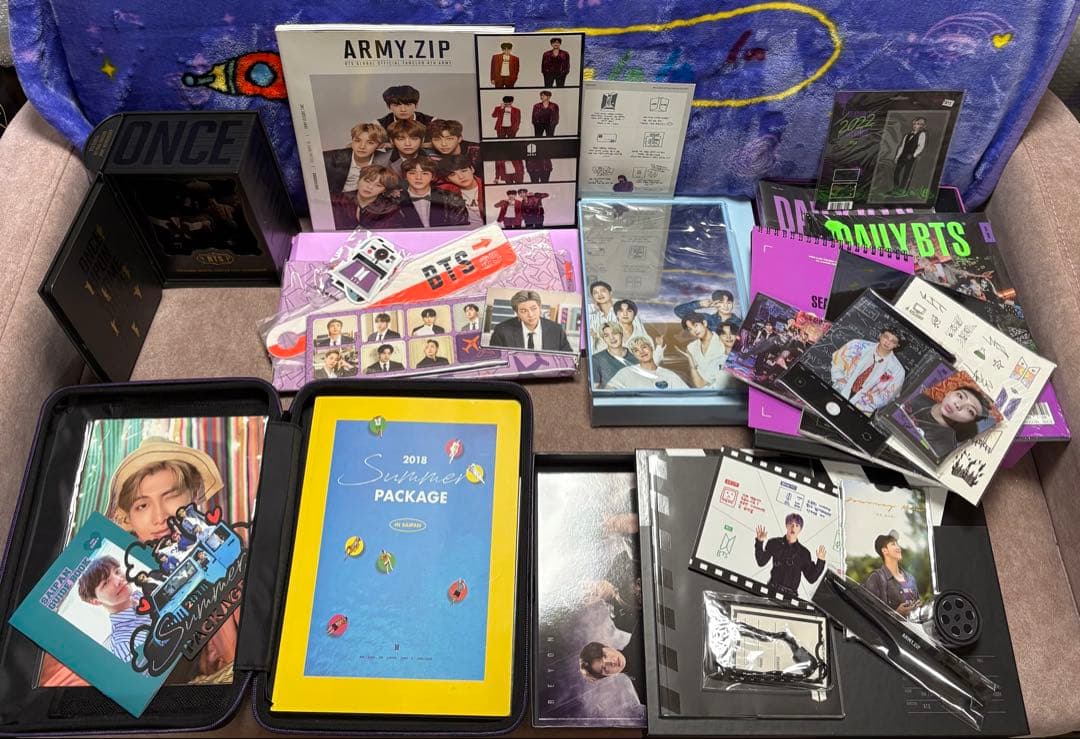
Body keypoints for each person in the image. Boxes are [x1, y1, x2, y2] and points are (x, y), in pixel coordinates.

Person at [77, 556, 150, 662]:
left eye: (117, 572)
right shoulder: (123, 643)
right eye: (105, 583)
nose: (119, 580)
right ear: (96, 601)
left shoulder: (142, 595)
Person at [898, 382, 994, 460]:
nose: (958, 405)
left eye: (970, 411)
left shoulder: (944, 446)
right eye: (960, 396)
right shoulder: (921, 398)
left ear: (969, 422)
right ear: (950, 392)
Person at [831, 327, 907, 413]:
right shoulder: (858, 345)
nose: (887, 342)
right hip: (838, 391)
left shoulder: (898, 370)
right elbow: (838, 360)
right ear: (880, 335)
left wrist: (873, 399)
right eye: (886, 337)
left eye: (893, 341)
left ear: (897, 345)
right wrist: (840, 378)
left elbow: (891, 394)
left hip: (863, 408)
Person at [753, 513, 827, 598]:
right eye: (791, 524)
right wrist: (759, 542)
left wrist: (820, 562)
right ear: (786, 525)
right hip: (772, 590)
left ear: (800, 529)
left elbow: (811, 578)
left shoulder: (804, 553)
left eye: (797, 525)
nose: (793, 527)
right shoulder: (774, 543)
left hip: (790, 597)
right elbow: (761, 562)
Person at [324, 122, 390, 211]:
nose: (362, 146)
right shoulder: (329, 158)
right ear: (352, 141)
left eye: (370, 142)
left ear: (379, 145)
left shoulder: (384, 160)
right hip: (335, 205)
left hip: (366, 206)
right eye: (357, 140)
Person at [488, 289, 573, 352]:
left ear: (540, 307)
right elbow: (495, 360)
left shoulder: (556, 330)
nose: (530, 315)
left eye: (534, 308)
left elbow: (568, 359)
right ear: (517, 313)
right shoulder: (501, 331)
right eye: (524, 311)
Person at [397, 157, 469, 228]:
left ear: (433, 177)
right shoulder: (395, 200)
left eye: (424, 173)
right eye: (412, 173)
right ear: (405, 176)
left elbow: (461, 228)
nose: (418, 178)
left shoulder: (451, 199)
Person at [863, 532, 921, 617]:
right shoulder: (876, 578)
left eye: (897, 544)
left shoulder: (910, 578)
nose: (898, 547)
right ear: (884, 550)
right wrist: (896, 614)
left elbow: (918, 609)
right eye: (893, 544)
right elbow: (869, 613)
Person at [666, 312, 730, 389]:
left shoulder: (723, 341)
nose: (694, 330)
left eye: (695, 325)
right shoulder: (691, 347)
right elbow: (698, 383)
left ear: (704, 323)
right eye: (690, 329)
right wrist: (690, 360)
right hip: (701, 388)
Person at [333, 165, 406, 230]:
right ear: (359, 180)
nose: (370, 187)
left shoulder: (390, 210)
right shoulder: (337, 200)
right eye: (367, 181)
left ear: (384, 190)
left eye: (378, 185)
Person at [579, 637, 645, 706]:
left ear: (608, 647)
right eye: (604, 668)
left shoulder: (639, 638)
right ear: (607, 676)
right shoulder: (641, 694)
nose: (610, 662)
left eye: (605, 655)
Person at [607, 337, 690, 390]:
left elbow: (686, 396)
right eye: (636, 350)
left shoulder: (669, 375)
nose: (641, 352)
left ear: (651, 348)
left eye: (644, 347)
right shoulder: (626, 372)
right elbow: (608, 391)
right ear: (634, 355)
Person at [437, 155, 484, 226]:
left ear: (472, 169)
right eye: (453, 175)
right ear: (447, 179)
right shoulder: (446, 192)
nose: (461, 177)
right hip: (464, 230)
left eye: (464, 171)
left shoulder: (488, 186)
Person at [591, 322, 638, 388]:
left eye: (615, 333)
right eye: (606, 335)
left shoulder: (636, 357)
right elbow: (595, 388)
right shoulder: (596, 359)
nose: (611, 338)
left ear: (621, 334)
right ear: (604, 339)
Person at [674, 289, 742, 331]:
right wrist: (700, 304)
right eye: (721, 302)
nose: (725, 306)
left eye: (729, 303)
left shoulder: (739, 323)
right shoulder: (708, 319)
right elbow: (679, 311)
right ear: (715, 303)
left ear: (732, 303)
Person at [891, 116, 927, 195]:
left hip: (910, 157)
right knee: (897, 172)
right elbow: (902, 147)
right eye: (914, 124)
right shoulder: (907, 135)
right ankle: (895, 189)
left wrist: (913, 155)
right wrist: (897, 157)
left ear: (921, 126)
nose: (915, 125)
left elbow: (921, 147)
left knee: (906, 173)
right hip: (902, 156)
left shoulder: (922, 134)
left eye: (917, 124)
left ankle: (901, 190)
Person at [587, 280, 617, 351]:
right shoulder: (592, 315)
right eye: (595, 293)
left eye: (603, 291)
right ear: (592, 297)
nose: (599, 294)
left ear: (610, 293)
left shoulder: (621, 313)